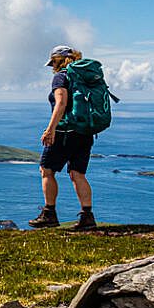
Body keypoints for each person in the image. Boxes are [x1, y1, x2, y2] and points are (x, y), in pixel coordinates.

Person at [29, 45, 98, 230]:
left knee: (46, 170)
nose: (52, 67)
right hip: (85, 132)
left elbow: (61, 103)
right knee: (77, 174)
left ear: (57, 61)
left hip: (65, 132)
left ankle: (49, 214)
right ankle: (87, 217)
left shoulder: (61, 77)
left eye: (53, 63)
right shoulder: (84, 77)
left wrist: (50, 129)